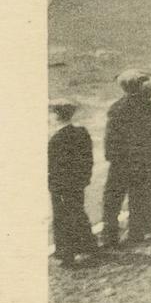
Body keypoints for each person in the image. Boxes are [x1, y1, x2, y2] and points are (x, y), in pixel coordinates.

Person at [100, 69, 151, 246]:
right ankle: (136, 232)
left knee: (112, 199)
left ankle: (110, 236)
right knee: (140, 196)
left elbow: (111, 138)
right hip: (147, 158)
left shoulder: (117, 108)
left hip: (122, 160)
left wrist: (112, 157)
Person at [49, 101, 97, 265]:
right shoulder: (81, 132)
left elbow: (54, 166)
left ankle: (66, 253)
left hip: (62, 185)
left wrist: (52, 185)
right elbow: (88, 159)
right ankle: (88, 246)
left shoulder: (57, 138)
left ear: (56, 115)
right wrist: (85, 177)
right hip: (78, 181)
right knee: (77, 211)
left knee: (62, 218)